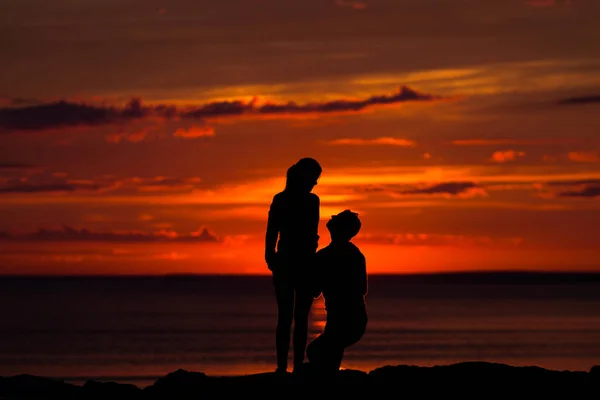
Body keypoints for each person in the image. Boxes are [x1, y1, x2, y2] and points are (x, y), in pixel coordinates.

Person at [265, 157, 322, 374]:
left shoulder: (309, 200)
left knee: (295, 317)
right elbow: (272, 232)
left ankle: (294, 366)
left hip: (299, 261)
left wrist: (271, 256)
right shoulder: (283, 200)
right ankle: (284, 367)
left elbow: (312, 235)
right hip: (290, 261)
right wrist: (270, 256)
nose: (315, 183)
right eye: (314, 178)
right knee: (289, 317)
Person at [306, 210, 368, 381]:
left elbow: (314, 289)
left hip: (347, 316)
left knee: (318, 351)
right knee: (326, 352)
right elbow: (362, 288)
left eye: (337, 218)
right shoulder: (354, 255)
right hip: (351, 316)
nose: (332, 217)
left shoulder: (326, 256)